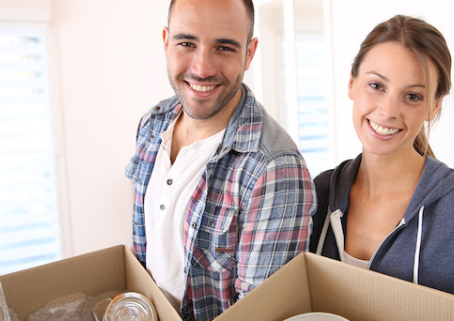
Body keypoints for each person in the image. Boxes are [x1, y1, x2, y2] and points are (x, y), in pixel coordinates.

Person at [309, 15, 454, 320]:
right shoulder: (321, 191)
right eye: (376, 85)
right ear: (352, 83)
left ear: (434, 105)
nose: (388, 111)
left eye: (412, 96)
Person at [124, 0, 316, 320]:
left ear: (249, 54)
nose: (201, 68)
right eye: (187, 43)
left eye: (224, 47)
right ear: (165, 41)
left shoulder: (274, 170)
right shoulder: (153, 123)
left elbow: (258, 315)